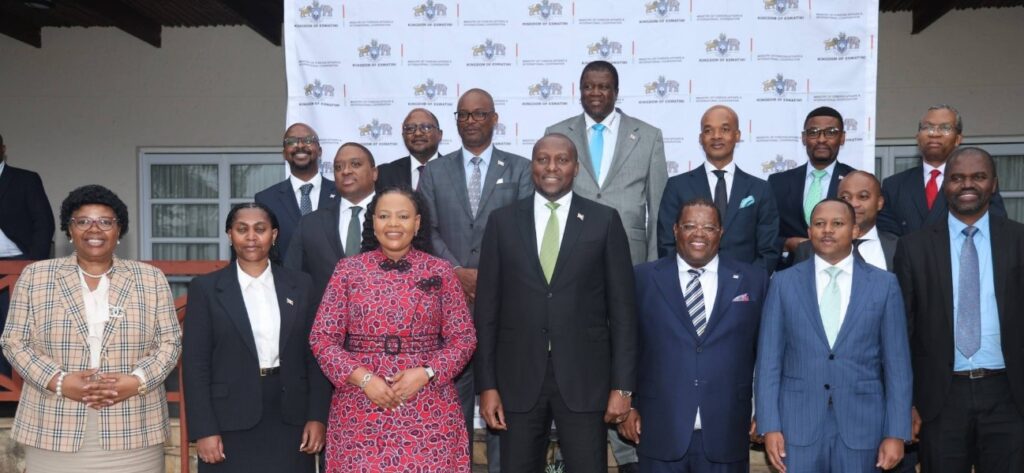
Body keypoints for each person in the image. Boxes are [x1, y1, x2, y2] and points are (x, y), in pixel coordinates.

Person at [474, 134, 637, 472]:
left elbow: (623, 313)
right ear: (532, 165)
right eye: (542, 159)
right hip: (517, 381)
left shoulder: (603, 220)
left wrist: (622, 386)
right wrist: (487, 386)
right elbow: (486, 312)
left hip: (585, 379)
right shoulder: (502, 222)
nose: (551, 167)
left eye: (561, 159)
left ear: (576, 167)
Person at [0, 184, 181, 472]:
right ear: (69, 230)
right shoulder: (36, 277)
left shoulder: (150, 278)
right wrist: (59, 381)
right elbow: (14, 341)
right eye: (83, 221)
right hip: (53, 425)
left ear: (119, 231)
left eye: (105, 222)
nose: (94, 229)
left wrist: (136, 382)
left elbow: (170, 343)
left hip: (134, 425)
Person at [310, 186, 477, 472]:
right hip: (360, 408)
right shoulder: (348, 270)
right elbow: (322, 338)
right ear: (373, 222)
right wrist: (363, 380)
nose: (393, 224)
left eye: (403, 216)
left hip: (428, 406)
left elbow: (464, 338)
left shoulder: (441, 271)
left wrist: (426, 373)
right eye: (384, 216)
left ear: (417, 222)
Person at [418, 88, 533, 464]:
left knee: (499, 399)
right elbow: (426, 230)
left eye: (479, 114)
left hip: (504, 303)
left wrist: (489, 274)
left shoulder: (519, 169)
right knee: (452, 405)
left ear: (494, 119)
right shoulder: (434, 172)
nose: (470, 121)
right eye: (463, 115)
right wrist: (456, 271)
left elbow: (525, 229)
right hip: (446, 305)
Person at [756, 198, 912, 473]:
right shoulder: (783, 283)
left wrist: (896, 432)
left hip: (863, 427)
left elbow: (897, 365)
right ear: (809, 232)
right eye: (819, 224)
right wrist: (770, 425)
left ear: (854, 230)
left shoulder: (884, 284)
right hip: (797, 427)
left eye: (837, 224)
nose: (827, 230)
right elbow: (769, 361)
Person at [894, 147, 1024, 472]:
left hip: (1009, 394)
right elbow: (902, 331)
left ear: (993, 184)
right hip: (940, 398)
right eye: (957, 178)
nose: (967, 185)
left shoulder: (1019, 240)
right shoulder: (913, 247)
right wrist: (905, 401)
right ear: (945, 185)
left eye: (978, 177)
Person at [183, 202, 331, 472]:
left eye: (260, 229)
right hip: (229, 420)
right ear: (230, 235)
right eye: (242, 229)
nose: (251, 237)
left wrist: (317, 417)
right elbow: (195, 365)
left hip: (292, 419)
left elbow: (316, 356)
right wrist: (203, 430)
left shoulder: (302, 285)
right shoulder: (205, 288)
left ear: (274, 235)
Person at [623, 198, 768, 472]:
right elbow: (627, 345)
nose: (699, 233)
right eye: (689, 226)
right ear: (675, 229)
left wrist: (765, 412)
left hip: (728, 429)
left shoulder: (753, 280)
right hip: (658, 427)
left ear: (721, 232)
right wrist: (627, 405)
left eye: (709, 227)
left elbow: (766, 353)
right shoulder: (642, 278)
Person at [545, 60, 668, 267]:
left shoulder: (648, 136)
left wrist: (654, 265)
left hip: (630, 253)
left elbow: (658, 210)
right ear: (580, 91)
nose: (595, 92)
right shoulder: (556, 135)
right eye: (588, 86)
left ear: (616, 92)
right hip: (570, 250)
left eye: (603, 87)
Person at [657, 105, 780, 270]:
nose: (716, 136)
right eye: (708, 131)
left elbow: (769, 249)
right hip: (691, 286)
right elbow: (667, 244)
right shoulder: (677, 186)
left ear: (737, 136)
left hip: (745, 287)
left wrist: (751, 283)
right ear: (701, 138)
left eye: (725, 129)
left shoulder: (760, 189)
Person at [878, 105, 1007, 237]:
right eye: (927, 127)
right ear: (917, 137)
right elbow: (888, 237)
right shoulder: (894, 185)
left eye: (945, 128)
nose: (935, 134)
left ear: (958, 139)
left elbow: (997, 228)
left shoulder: (975, 183)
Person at [285, 143, 377, 298]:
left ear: (374, 173)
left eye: (355, 164)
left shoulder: (395, 219)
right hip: (325, 318)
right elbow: (292, 278)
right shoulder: (310, 224)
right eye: (338, 167)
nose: (345, 171)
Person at [768, 107, 856, 269]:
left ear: (842, 138)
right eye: (813, 132)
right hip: (791, 271)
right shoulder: (777, 183)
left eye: (831, 132)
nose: (821, 139)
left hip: (843, 269)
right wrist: (787, 243)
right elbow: (766, 231)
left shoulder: (854, 180)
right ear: (804, 138)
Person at [0, 132, 56, 376]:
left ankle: (9, 391)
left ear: (2, 149)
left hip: (16, 267)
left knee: (11, 330)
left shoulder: (25, 179)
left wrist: (33, 267)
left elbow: (44, 224)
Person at [255, 123, 337, 259]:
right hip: (285, 278)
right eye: (291, 141)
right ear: (284, 154)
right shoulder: (266, 200)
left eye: (308, 140)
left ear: (320, 151)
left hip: (334, 278)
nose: (300, 146)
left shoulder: (341, 194)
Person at [793, 170, 898, 271]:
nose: (854, 204)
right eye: (845, 197)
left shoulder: (898, 247)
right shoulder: (807, 250)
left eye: (863, 196)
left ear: (879, 203)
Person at [377, 108, 444, 191]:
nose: (418, 133)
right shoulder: (385, 174)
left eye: (426, 127)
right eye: (410, 129)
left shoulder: (455, 170)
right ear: (403, 136)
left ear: (440, 135)